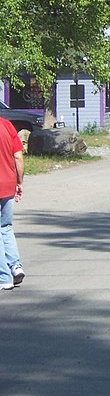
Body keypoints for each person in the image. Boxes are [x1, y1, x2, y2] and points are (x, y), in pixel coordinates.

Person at [0, 117, 25, 290]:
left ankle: (3, 276)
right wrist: (19, 182)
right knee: (6, 227)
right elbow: (18, 157)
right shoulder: (7, 125)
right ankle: (15, 266)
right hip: (8, 184)